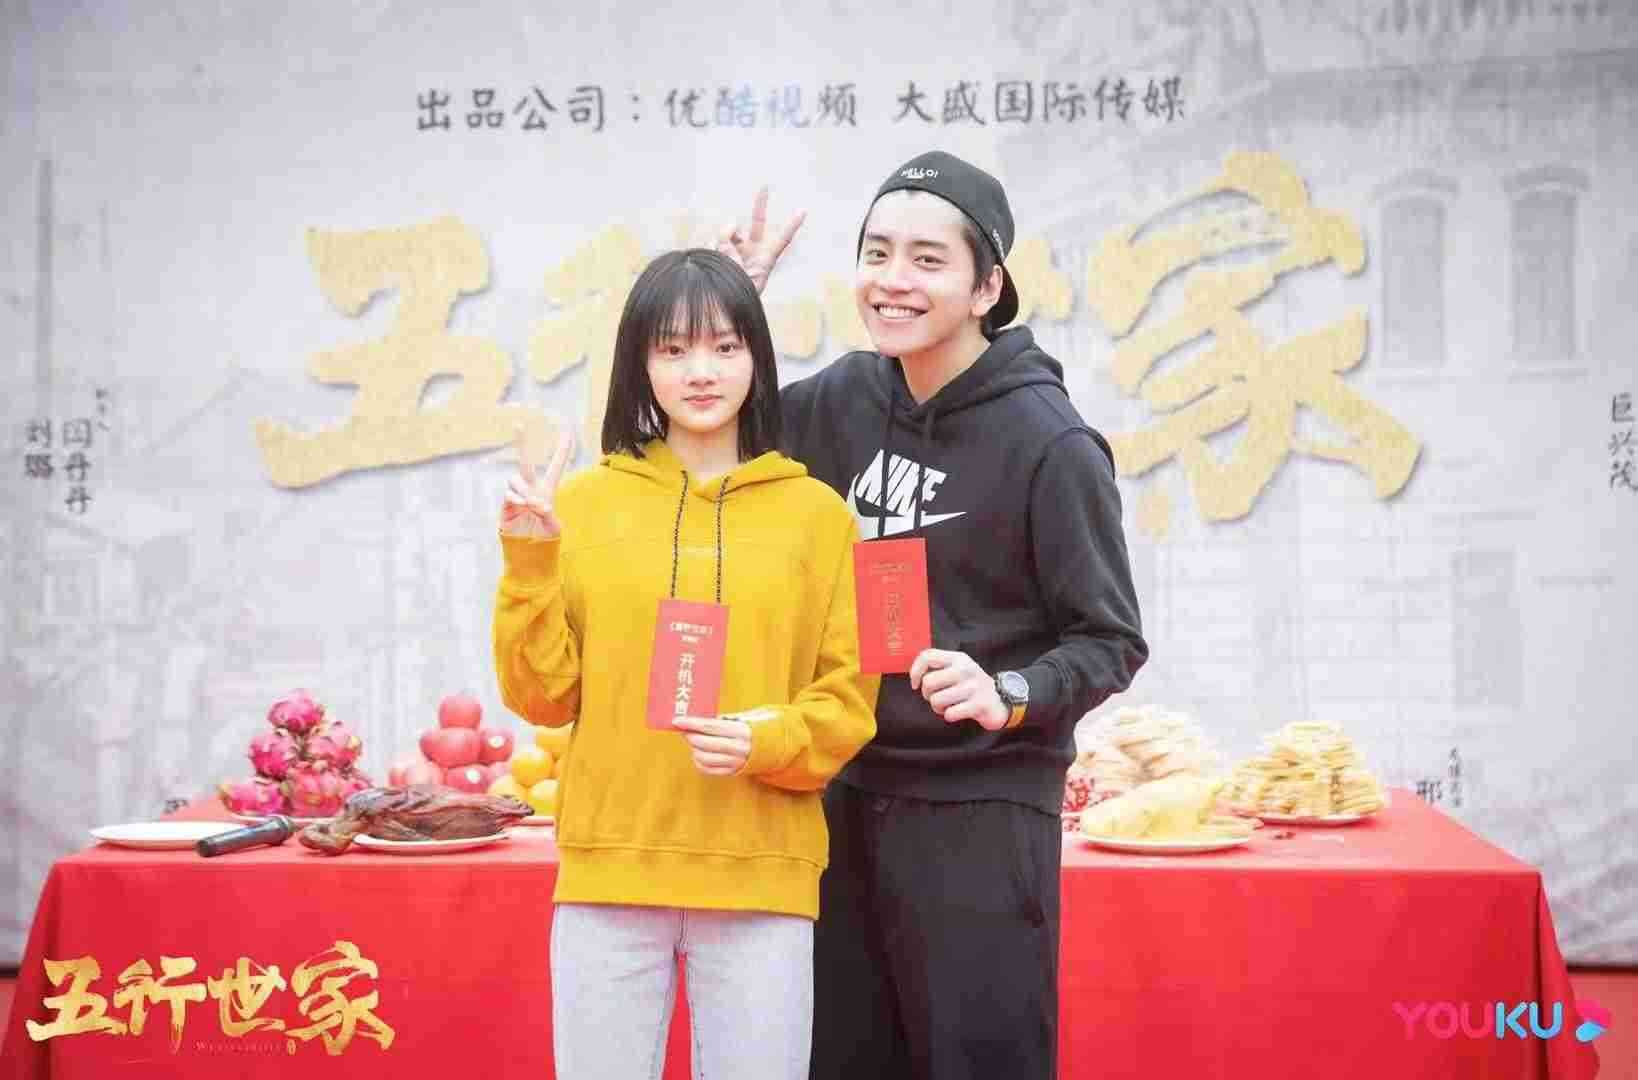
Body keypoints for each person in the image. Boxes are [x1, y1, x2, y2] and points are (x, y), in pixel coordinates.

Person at [721, 152, 1149, 1079]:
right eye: (876, 253)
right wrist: (732, 308)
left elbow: (1110, 639)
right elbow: (716, 440)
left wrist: (1010, 689)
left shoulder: (1051, 442)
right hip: (840, 795)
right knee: (841, 1060)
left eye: (926, 260)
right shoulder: (841, 399)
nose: (893, 280)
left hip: (979, 809)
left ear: (987, 287)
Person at [492, 248, 880, 1080]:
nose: (701, 372)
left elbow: (850, 701)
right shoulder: (583, 505)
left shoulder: (819, 517)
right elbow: (543, 697)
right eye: (672, 350)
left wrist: (767, 739)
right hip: (608, 872)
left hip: (761, 874)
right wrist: (529, 562)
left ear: (757, 358)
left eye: (724, 347)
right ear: (639, 365)